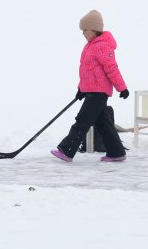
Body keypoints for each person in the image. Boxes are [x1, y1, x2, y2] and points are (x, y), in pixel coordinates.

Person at [52, 10, 129, 163]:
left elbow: (112, 68)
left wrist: (122, 88)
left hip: (98, 93)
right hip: (92, 91)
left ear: (94, 29)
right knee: (103, 124)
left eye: (85, 30)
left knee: (82, 121)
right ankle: (116, 152)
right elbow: (87, 71)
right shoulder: (90, 46)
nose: (83, 33)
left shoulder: (102, 46)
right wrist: (81, 89)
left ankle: (67, 151)